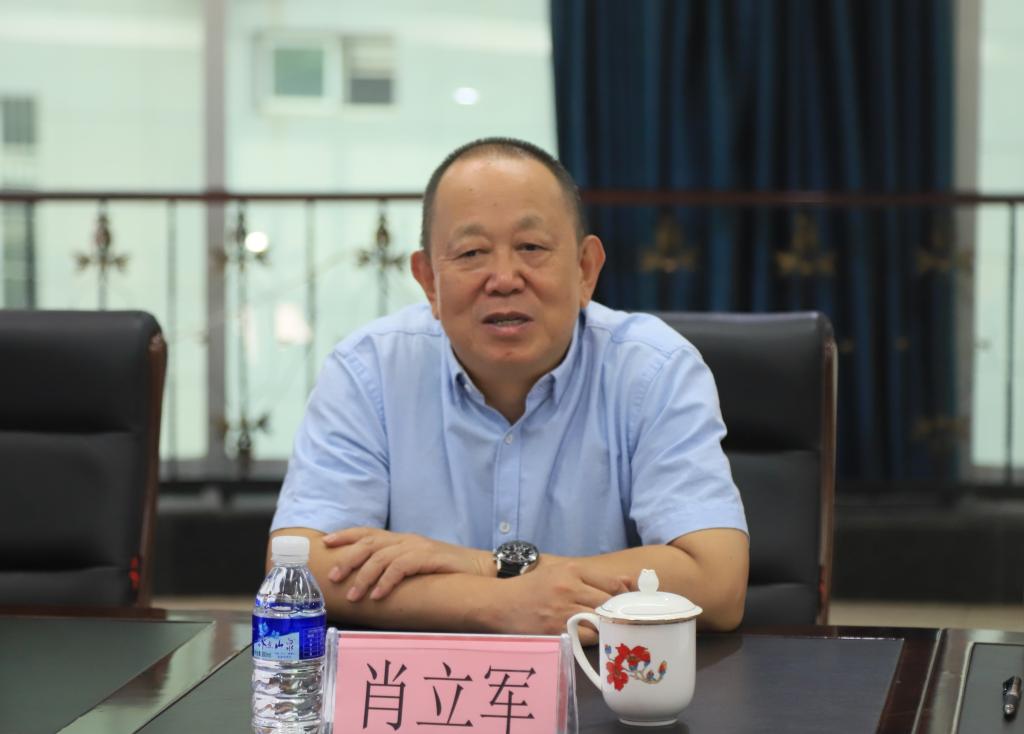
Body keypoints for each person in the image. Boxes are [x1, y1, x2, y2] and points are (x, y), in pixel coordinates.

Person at [269, 137, 749, 638]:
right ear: (429, 281)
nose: (503, 279)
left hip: (599, 681)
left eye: (531, 248)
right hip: (427, 684)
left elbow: (716, 583)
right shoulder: (368, 370)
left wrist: (480, 565)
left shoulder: (653, 369)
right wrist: (500, 604)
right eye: (472, 252)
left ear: (585, 269)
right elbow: (300, 570)